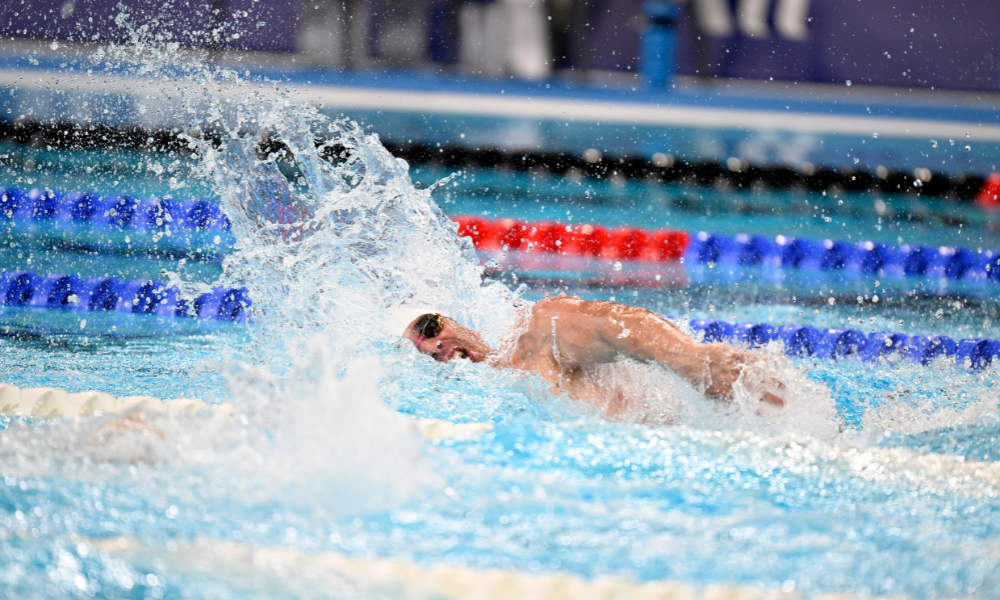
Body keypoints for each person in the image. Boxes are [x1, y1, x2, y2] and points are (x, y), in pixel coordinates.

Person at [401, 294, 786, 420]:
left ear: (454, 321)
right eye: (421, 354)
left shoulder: (532, 339)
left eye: (429, 329)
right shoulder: (471, 414)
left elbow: (612, 322)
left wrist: (688, 359)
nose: (432, 346)